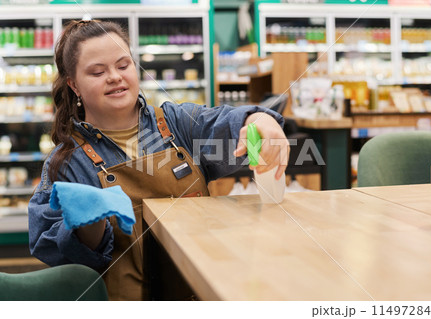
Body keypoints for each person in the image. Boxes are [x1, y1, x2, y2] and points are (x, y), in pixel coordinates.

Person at [28, 20, 289, 301]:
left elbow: (225, 124)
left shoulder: (177, 125)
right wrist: (86, 226)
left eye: (123, 65)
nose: (114, 76)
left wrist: (260, 119)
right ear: (74, 85)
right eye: (97, 72)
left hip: (201, 294)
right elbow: (58, 255)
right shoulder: (67, 163)